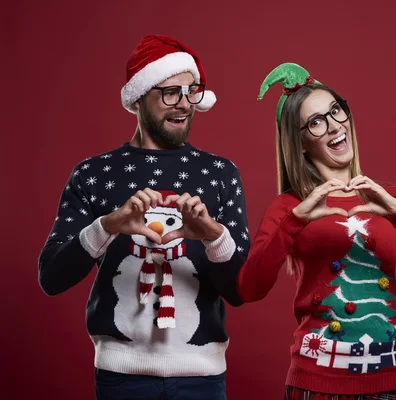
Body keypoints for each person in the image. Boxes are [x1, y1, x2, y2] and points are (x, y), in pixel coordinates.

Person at [38, 34, 249, 400]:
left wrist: (214, 235)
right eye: (170, 92)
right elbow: (52, 277)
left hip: (203, 378)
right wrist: (108, 226)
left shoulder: (220, 173)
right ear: (138, 98)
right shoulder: (93, 173)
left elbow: (241, 290)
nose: (184, 103)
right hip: (121, 377)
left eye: (191, 91)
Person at [236, 63, 396, 399]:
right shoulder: (289, 207)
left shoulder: (393, 198)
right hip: (317, 382)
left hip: (394, 380)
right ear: (301, 143)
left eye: (336, 111)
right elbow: (249, 289)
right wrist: (294, 221)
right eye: (316, 122)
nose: (335, 125)